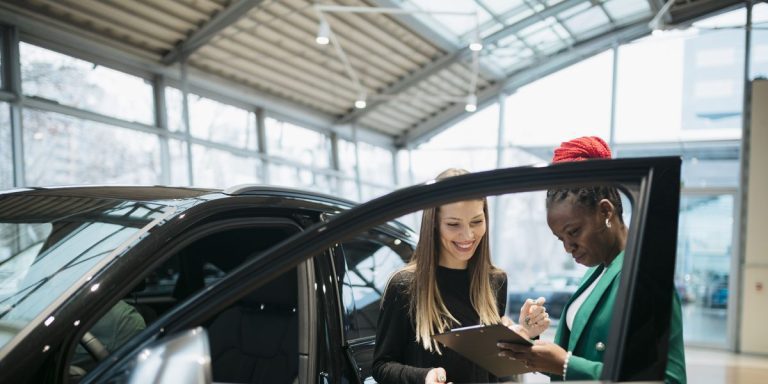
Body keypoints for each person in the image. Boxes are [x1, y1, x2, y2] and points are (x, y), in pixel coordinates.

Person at [497, 136, 686, 383]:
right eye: (559, 238)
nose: (568, 247)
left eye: (573, 232)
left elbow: (669, 379)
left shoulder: (645, 276)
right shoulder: (598, 272)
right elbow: (572, 355)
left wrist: (566, 365)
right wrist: (528, 343)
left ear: (606, 212)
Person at [372, 168, 550, 384]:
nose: (467, 235)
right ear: (433, 224)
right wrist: (424, 377)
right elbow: (382, 366)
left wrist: (525, 335)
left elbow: (494, 368)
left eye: (476, 222)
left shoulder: (495, 281)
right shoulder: (405, 285)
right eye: (453, 224)